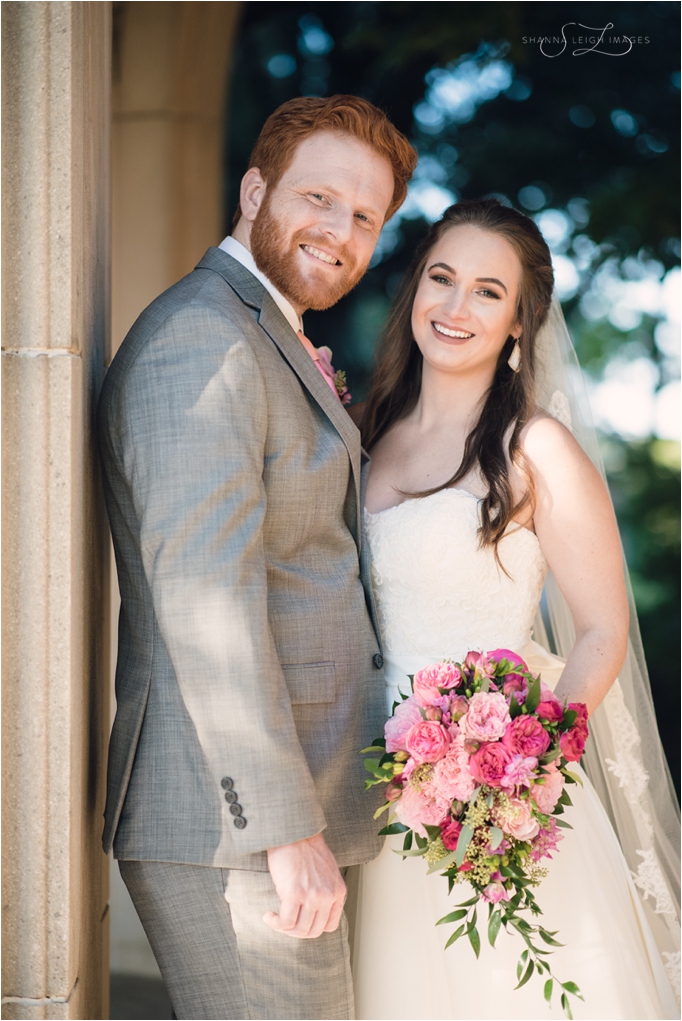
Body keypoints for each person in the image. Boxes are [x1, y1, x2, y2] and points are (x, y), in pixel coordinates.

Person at [97, 95, 417, 1021]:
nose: (341, 232)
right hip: (232, 823)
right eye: (319, 198)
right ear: (253, 188)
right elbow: (208, 600)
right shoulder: (204, 340)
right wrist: (282, 827)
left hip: (275, 817)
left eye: (365, 217)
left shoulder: (257, 330)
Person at [351, 199, 680, 1020]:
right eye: (441, 278)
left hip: (493, 799)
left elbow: (603, 627)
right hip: (364, 788)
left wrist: (518, 779)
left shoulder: (535, 449)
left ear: (520, 326)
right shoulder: (363, 432)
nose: (455, 308)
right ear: (414, 290)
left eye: (487, 292)